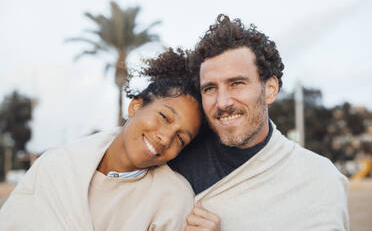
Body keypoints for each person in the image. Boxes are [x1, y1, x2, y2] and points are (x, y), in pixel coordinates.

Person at [169, 15, 349, 230]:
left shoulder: (319, 179)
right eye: (210, 88)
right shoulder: (173, 161)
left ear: (270, 89)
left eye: (236, 83)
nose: (222, 102)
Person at [0, 48, 203, 231]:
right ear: (136, 106)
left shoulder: (172, 200)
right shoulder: (56, 166)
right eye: (164, 117)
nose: (165, 138)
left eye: (180, 138)